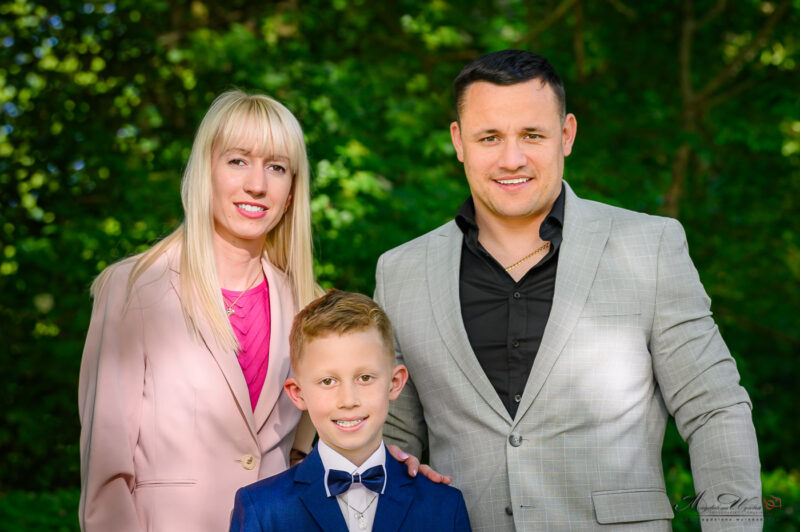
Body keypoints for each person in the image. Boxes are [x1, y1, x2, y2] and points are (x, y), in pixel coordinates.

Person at [374, 50, 762, 531]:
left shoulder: (650, 248)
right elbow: (393, 440)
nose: (511, 159)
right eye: (490, 137)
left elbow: (715, 410)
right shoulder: (401, 271)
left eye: (532, 135)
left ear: (567, 134)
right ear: (459, 141)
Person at [78, 90, 320, 531]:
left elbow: (312, 457)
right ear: (204, 172)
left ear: (290, 193)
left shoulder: (311, 306)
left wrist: (389, 459)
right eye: (238, 160)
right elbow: (106, 479)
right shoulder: (133, 290)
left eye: (276, 167)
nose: (257, 184)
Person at [229, 290, 472, 531]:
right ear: (298, 393)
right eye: (328, 381)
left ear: (394, 383)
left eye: (365, 378)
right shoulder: (262, 509)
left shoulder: (443, 506)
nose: (348, 400)